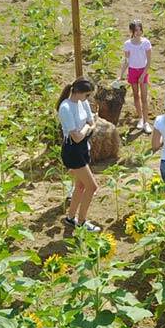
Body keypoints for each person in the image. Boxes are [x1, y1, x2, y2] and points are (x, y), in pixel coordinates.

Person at [57, 78, 101, 232]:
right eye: (87, 95)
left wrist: (86, 128)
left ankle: (70, 218)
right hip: (72, 151)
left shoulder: (83, 103)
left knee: (81, 185)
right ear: (78, 92)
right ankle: (81, 222)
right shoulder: (66, 108)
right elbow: (76, 136)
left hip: (82, 148)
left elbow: (92, 122)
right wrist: (87, 128)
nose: (88, 98)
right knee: (92, 186)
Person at [117, 19, 152, 133]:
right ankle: (141, 118)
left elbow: (149, 61)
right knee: (136, 96)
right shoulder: (127, 44)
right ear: (131, 31)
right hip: (132, 71)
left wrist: (143, 74)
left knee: (144, 97)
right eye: (135, 30)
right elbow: (126, 61)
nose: (138, 32)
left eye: (139, 29)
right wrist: (121, 74)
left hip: (143, 71)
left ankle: (146, 122)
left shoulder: (146, 43)